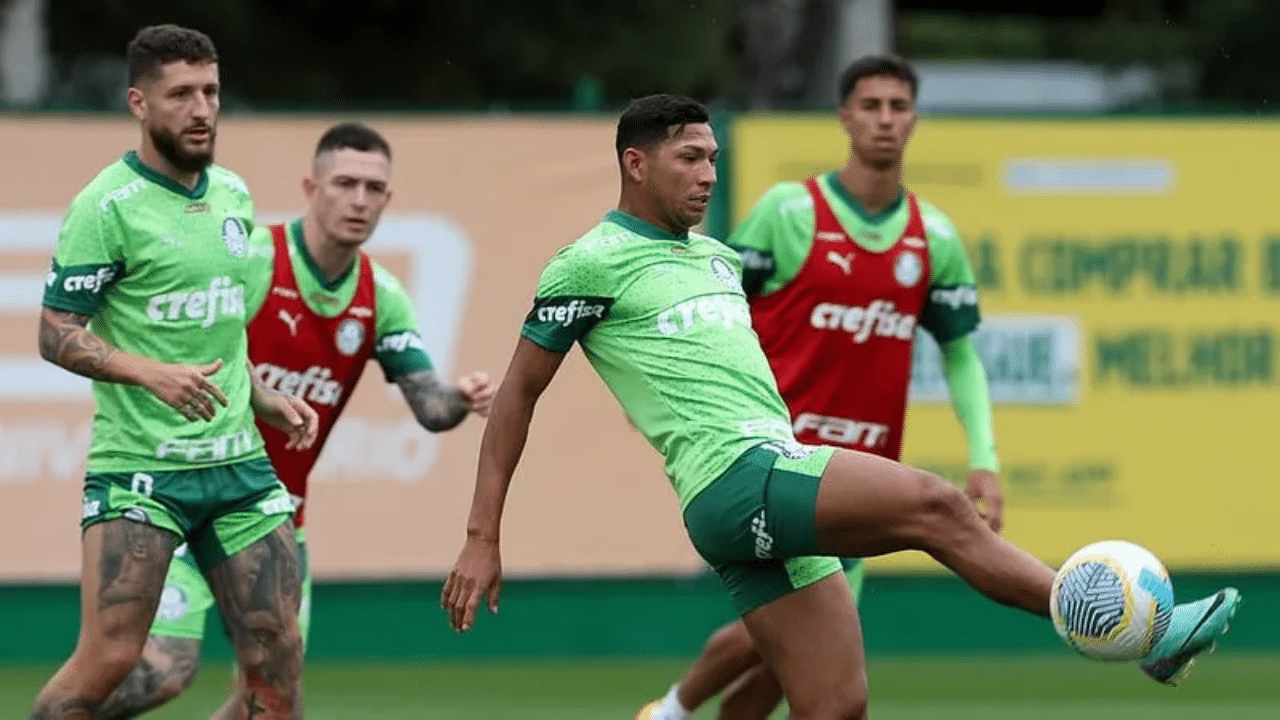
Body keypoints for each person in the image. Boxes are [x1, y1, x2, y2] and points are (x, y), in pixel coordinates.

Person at [440, 92, 1241, 720]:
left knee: (835, 704)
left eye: (715, 157)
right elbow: (518, 396)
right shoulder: (590, 261)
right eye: (689, 158)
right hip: (735, 476)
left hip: (760, 479)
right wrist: (482, 537)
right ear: (636, 164)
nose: (709, 174)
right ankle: (1138, 634)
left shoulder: (717, 259)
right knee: (936, 504)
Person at [637, 54, 1006, 720]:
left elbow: (960, 353)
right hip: (776, 456)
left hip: (861, 472)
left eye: (898, 107)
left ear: (915, 120)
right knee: (787, 632)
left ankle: (672, 712)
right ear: (844, 118)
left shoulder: (935, 237)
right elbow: (714, 306)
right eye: (871, 106)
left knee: (793, 666)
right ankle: (671, 710)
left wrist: (985, 457)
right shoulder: (788, 212)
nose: (885, 121)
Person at [94, 122, 495, 719]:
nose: (360, 200)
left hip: (275, 521)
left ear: (388, 200)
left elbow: (430, 407)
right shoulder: (255, 260)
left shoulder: (380, 296)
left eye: (374, 188)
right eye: (346, 183)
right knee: (162, 672)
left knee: (274, 697)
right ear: (311, 185)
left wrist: (461, 398)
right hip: (188, 500)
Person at [33, 24, 319, 720]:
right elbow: (55, 332)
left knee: (277, 661)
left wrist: (261, 397)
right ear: (139, 102)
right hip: (141, 469)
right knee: (113, 659)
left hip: (238, 468)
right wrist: (150, 374)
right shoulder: (106, 207)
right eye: (181, 94)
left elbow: (218, 327)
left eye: (211, 91)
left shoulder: (232, 195)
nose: (201, 108)